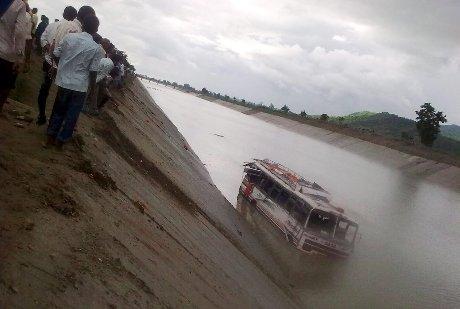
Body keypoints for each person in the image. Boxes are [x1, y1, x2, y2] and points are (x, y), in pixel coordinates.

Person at [45, 15, 102, 149]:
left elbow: (55, 54)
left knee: (58, 110)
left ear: (82, 24)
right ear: (96, 30)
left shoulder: (69, 38)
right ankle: (61, 141)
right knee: (72, 115)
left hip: (64, 82)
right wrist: (92, 89)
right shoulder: (96, 48)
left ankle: (50, 138)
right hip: (80, 86)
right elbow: (93, 72)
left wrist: (61, 68)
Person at [36, 6, 78, 125]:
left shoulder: (52, 25)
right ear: (74, 17)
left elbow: (43, 37)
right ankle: (53, 121)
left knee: (44, 89)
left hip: (49, 61)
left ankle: (41, 115)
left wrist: (46, 46)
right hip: (61, 65)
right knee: (60, 94)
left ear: (63, 13)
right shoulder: (74, 30)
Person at [0, 0, 28, 113]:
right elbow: (20, 32)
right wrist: (20, 57)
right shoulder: (19, 5)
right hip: (5, 54)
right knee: (3, 88)